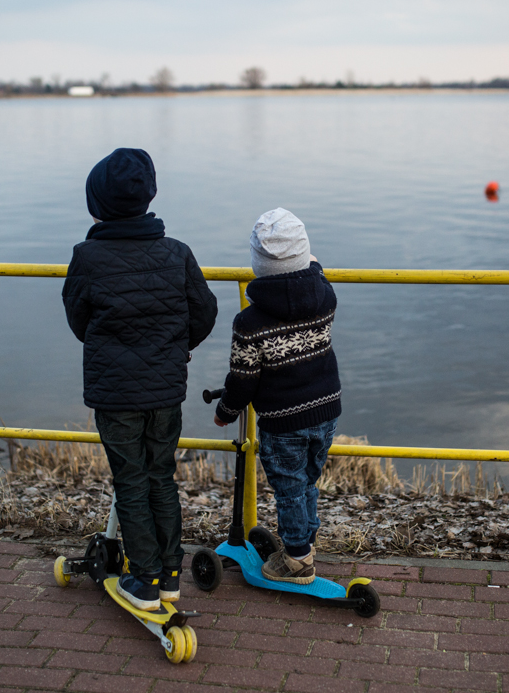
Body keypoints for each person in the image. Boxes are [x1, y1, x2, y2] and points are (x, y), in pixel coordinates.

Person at [62, 148, 218, 610]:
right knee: (161, 477)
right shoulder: (177, 253)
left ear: (97, 204)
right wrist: (178, 344)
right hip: (166, 389)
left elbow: (78, 319)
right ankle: (170, 573)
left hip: (116, 393)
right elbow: (205, 312)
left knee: (131, 481)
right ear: (149, 196)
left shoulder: (87, 257)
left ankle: (145, 577)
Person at [213, 208, 340, 584]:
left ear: (257, 265)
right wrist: (311, 263)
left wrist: (225, 410)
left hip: (283, 422)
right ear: (304, 255)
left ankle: (298, 561)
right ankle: (305, 541)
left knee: (287, 490)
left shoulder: (249, 324)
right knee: (306, 483)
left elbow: (243, 381)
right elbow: (316, 273)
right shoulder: (327, 298)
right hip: (328, 409)